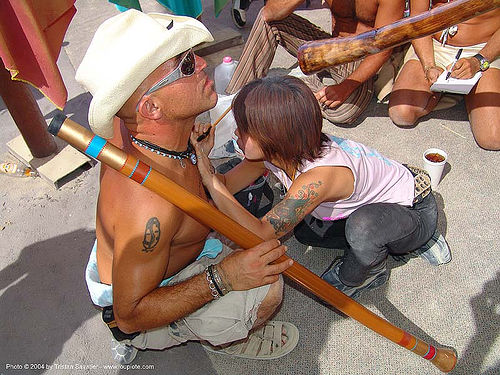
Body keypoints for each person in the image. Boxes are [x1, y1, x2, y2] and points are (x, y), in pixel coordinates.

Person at [75, 10, 298, 364]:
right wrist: (225, 277)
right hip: (140, 303)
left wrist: (204, 160)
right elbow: (130, 314)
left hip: (158, 252)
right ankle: (197, 334)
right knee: (269, 284)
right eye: (186, 66)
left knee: (241, 207)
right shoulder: (150, 207)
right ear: (151, 107)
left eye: (192, 55)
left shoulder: (144, 131)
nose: (203, 64)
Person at [192, 76, 451, 300]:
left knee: (363, 229)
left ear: (273, 135)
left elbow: (261, 234)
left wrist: (211, 179)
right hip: (375, 204)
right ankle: (381, 243)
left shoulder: (321, 177)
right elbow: (224, 185)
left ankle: (384, 262)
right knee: (305, 232)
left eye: (245, 129)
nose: (236, 132)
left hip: (413, 208)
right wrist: (201, 157)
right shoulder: (274, 153)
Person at [224, 0, 405, 124]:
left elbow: (382, 48)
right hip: (329, 47)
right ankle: (232, 103)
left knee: (343, 112)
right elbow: (269, 12)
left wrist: (345, 88)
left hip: (363, 59)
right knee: (270, 22)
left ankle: (286, 87)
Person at [388, 1, 500, 150]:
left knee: (492, 138)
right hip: (436, 45)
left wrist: (478, 61)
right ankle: (445, 89)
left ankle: (468, 94)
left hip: (484, 49)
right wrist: (429, 65)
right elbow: (417, 18)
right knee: (402, 113)